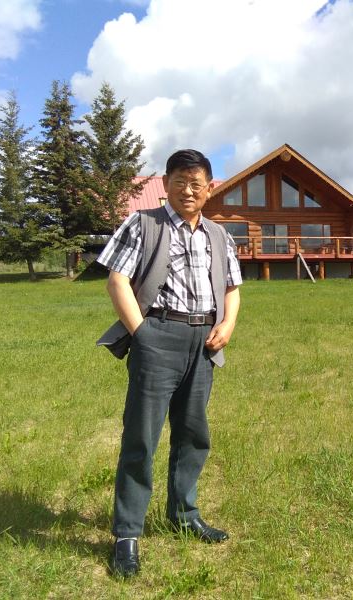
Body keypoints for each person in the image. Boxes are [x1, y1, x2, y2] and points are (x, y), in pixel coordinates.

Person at [96, 149, 242, 578]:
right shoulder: (143, 224)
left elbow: (232, 287)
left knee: (194, 434)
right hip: (157, 334)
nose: (188, 190)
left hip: (205, 341)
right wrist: (142, 333)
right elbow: (117, 281)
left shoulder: (220, 235)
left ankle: (184, 514)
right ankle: (127, 533)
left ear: (209, 189)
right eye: (180, 181)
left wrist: (228, 324)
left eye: (196, 183)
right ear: (165, 184)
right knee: (141, 437)